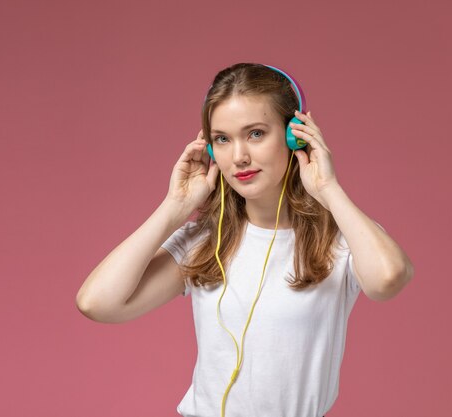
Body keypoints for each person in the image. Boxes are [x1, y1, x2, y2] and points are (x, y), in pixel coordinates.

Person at [76, 62, 414, 417]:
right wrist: (174, 208)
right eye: (222, 139)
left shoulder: (341, 238)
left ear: (293, 135)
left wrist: (328, 189)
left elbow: (389, 278)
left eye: (255, 133)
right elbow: (97, 303)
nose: (238, 157)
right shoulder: (205, 242)